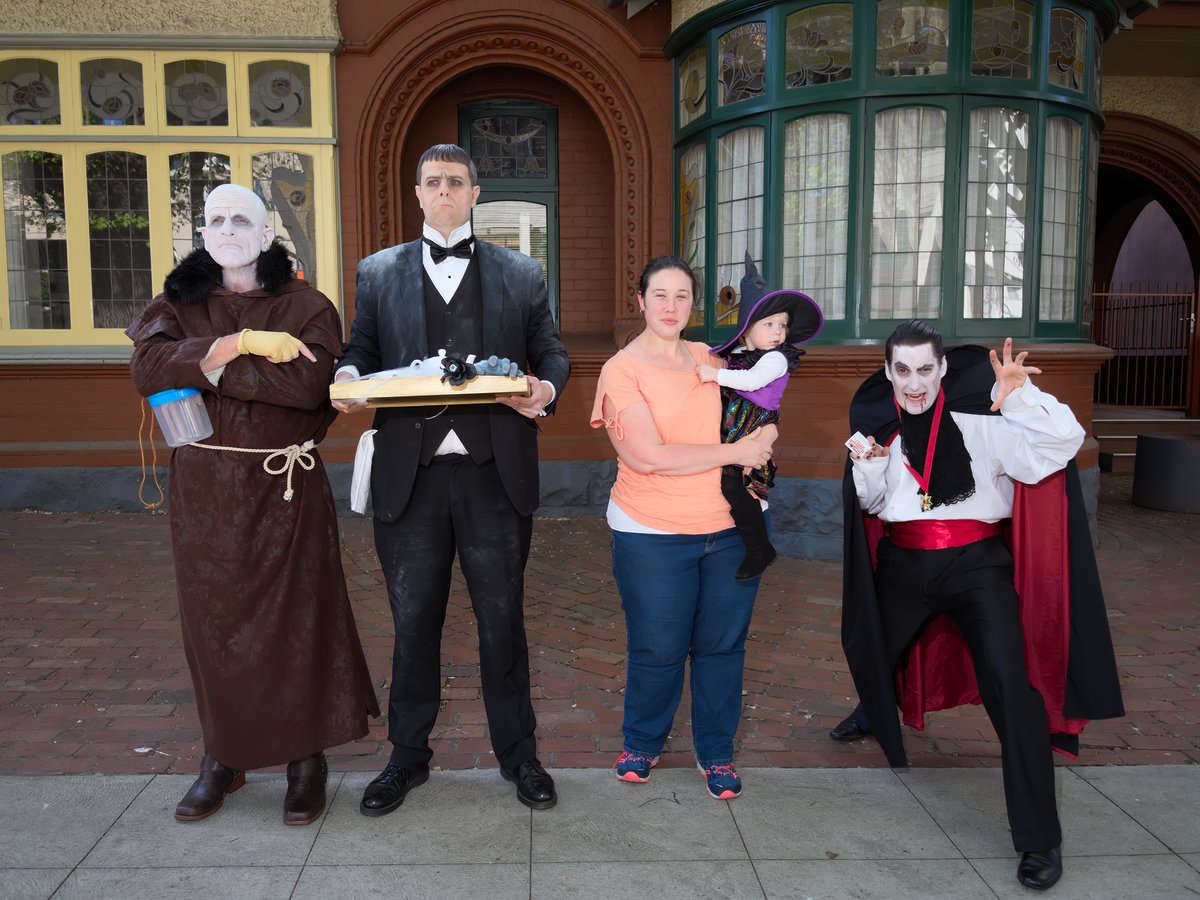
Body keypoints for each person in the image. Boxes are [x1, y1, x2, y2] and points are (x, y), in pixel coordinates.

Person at [838, 320, 1124, 891]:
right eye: (902, 370)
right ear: (888, 372)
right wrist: (868, 466)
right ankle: (874, 708)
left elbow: (1061, 443)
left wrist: (1020, 394)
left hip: (976, 568)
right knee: (872, 648)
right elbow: (873, 503)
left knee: (1012, 688)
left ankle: (1039, 839)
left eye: (925, 369)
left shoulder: (985, 422)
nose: (914, 383)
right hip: (903, 565)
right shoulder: (882, 430)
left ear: (942, 369)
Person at [126, 183, 380, 826]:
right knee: (214, 629)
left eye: (241, 219)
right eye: (215, 220)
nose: (227, 229)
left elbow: (308, 388)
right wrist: (239, 344)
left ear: (267, 234)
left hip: (284, 490)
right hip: (205, 495)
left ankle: (305, 762)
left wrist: (206, 369)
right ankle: (224, 757)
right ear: (203, 235)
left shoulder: (306, 304)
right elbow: (147, 371)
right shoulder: (175, 302)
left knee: (298, 624)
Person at [333, 143, 569, 815]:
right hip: (411, 476)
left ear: (474, 193)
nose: (444, 191)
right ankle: (406, 758)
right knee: (412, 623)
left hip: (495, 474)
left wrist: (544, 389)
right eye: (433, 181)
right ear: (418, 193)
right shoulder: (378, 271)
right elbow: (361, 348)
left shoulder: (521, 272)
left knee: (502, 621)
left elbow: (550, 351)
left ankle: (519, 755)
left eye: (456, 182)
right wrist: (347, 376)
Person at [590, 256, 777, 800]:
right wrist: (736, 453)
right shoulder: (621, 370)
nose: (671, 306)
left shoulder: (710, 357)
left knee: (723, 647)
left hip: (731, 530)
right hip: (653, 532)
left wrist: (762, 440)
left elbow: (764, 407)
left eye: (682, 296)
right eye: (660, 295)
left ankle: (715, 751)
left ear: (693, 304)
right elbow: (648, 455)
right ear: (641, 301)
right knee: (658, 646)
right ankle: (642, 742)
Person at [697, 254, 822, 580]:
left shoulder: (776, 359)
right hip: (734, 421)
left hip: (752, 421)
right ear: (746, 330)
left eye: (782, 325)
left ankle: (759, 548)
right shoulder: (742, 353)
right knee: (726, 478)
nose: (778, 331)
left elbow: (751, 382)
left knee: (735, 484)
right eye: (769, 324)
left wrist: (714, 375)